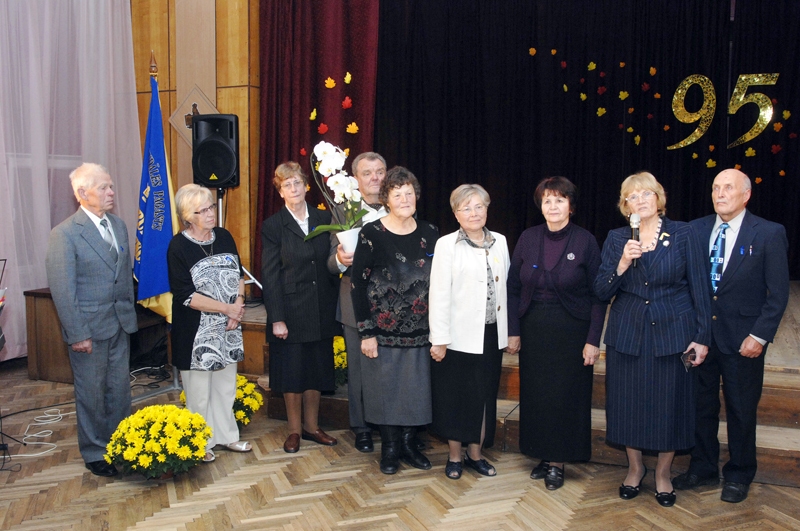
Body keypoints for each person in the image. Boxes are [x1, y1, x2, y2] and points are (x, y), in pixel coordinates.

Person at [594, 171, 711, 508]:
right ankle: (634, 469)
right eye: (633, 196)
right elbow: (602, 290)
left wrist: (702, 337)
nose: (640, 200)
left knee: (669, 406)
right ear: (625, 205)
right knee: (627, 404)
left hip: (674, 332)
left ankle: (663, 473)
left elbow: (701, 288)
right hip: (628, 333)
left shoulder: (684, 233)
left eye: (647, 194)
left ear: (659, 199)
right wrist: (621, 263)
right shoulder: (618, 239)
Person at [675, 169, 790, 503]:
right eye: (715, 188)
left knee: (741, 410)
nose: (719, 193)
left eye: (727, 188)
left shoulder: (768, 233)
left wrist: (760, 335)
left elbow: (778, 295)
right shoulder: (695, 230)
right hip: (701, 338)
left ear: (746, 194)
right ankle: (703, 467)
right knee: (701, 407)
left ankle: (739, 474)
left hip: (744, 341)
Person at [506, 176, 606, 490]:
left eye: (559, 200)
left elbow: (598, 295)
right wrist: (513, 329)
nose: (553, 206)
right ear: (541, 206)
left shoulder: (585, 241)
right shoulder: (527, 237)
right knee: (536, 395)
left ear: (571, 206)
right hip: (534, 329)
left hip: (572, 331)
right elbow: (512, 289)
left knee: (564, 397)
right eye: (547, 200)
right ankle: (542, 453)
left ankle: (558, 461)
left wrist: (593, 339)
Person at [45, 162, 138, 477]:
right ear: (82, 194)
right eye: (104, 187)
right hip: (88, 329)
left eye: (111, 186)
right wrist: (76, 333)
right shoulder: (65, 234)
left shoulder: (119, 225)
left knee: (119, 389)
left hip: (119, 323)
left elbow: (123, 277)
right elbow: (63, 290)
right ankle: (96, 451)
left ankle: (121, 443)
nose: (111, 192)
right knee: (92, 393)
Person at [351, 166, 439, 474]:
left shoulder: (430, 232)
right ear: (387, 199)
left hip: (420, 331)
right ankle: (389, 449)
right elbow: (357, 284)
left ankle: (407, 445)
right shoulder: (371, 233)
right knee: (384, 391)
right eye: (397, 194)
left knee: (416, 392)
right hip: (382, 331)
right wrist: (366, 333)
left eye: (409, 193)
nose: (405, 199)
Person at [429, 184, 510, 480]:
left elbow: (506, 290)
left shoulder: (500, 241)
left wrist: (510, 331)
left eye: (479, 206)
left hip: (490, 335)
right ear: (456, 214)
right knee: (455, 395)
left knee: (484, 394)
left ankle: (476, 455)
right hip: (457, 336)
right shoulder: (446, 245)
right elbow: (438, 294)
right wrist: (439, 339)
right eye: (466, 208)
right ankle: (454, 456)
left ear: (487, 209)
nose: (473, 213)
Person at [168, 184, 251, 463]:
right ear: (187, 216)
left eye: (211, 207)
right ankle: (200, 442)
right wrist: (227, 309)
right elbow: (185, 296)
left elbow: (239, 273)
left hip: (228, 326)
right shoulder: (178, 246)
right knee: (199, 393)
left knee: (226, 385)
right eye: (201, 210)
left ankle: (227, 436)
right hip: (196, 333)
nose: (209, 213)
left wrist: (238, 303)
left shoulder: (225, 236)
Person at [261, 162, 340, 454]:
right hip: (291, 311)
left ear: (306, 185)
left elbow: (333, 260)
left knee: (317, 370)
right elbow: (270, 275)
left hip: (321, 308)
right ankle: (294, 430)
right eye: (286, 185)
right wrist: (277, 318)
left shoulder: (324, 217)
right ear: (280, 191)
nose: (293, 189)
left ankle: (312, 427)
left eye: (297, 183)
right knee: (292, 373)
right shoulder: (273, 226)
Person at [327, 152, 388, 453]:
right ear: (356, 179)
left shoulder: (399, 205)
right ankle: (361, 427)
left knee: (390, 367)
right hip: (355, 302)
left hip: (394, 305)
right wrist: (339, 259)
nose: (375, 177)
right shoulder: (342, 210)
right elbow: (328, 261)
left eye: (380, 172)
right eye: (368, 173)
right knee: (360, 371)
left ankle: (390, 424)